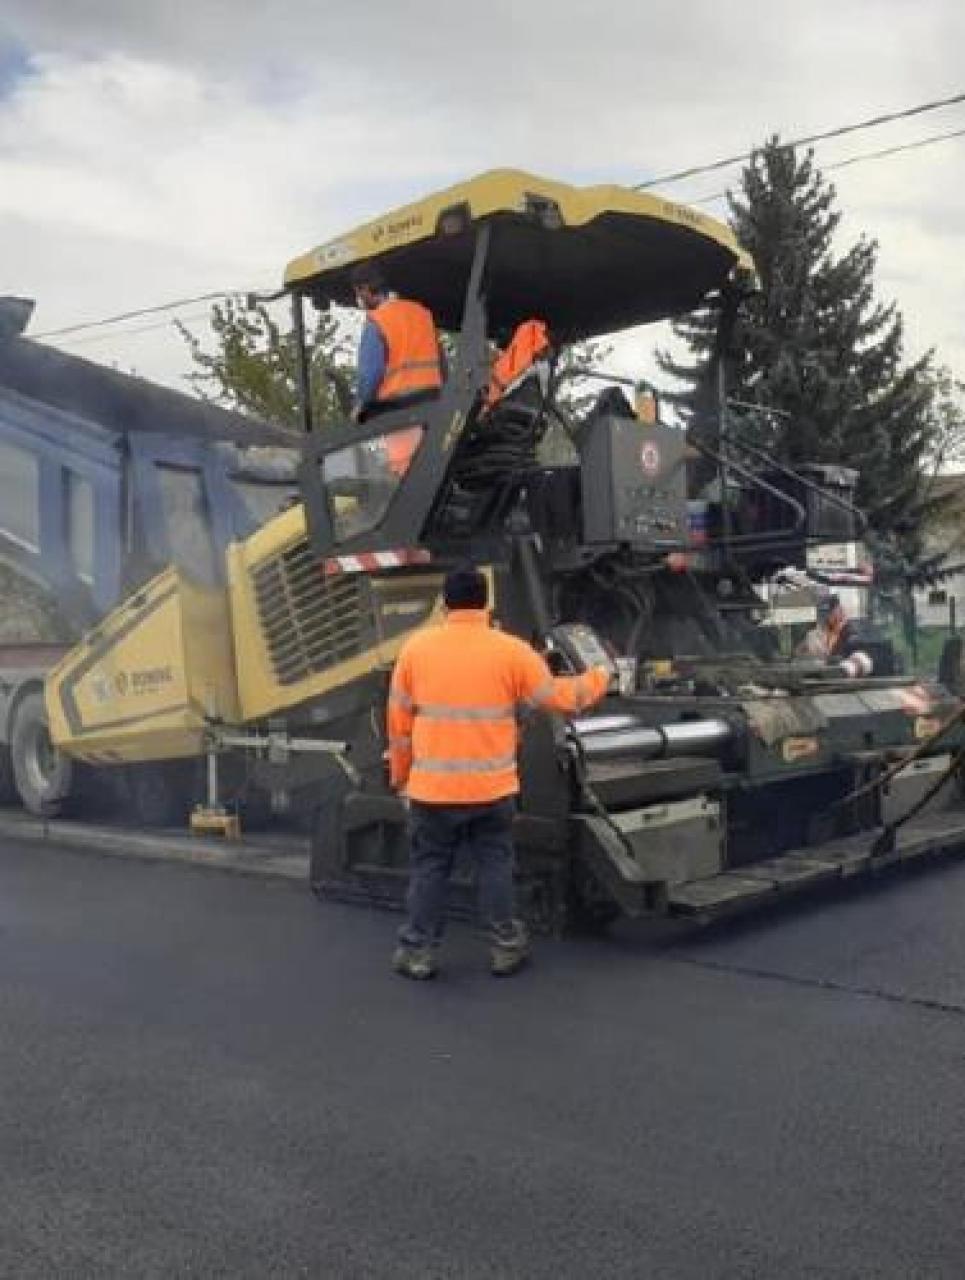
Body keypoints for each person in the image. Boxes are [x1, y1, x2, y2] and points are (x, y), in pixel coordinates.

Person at [387, 567, 610, 981]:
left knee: (431, 869)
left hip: (433, 791)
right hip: (492, 790)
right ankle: (506, 946)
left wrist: (401, 778)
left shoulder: (416, 650)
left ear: (446, 602)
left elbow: (398, 727)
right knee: (495, 867)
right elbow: (561, 698)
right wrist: (601, 674)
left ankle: (418, 952)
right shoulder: (511, 651)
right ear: (485, 602)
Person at [350, 262, 443, 424]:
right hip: (433, 403)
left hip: (396, 411)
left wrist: (359, 406)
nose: (359, 299)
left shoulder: (377, 321)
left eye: (357, 293)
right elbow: (442, 363)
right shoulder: (422, 314)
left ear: (364, 289)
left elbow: (370, 374)